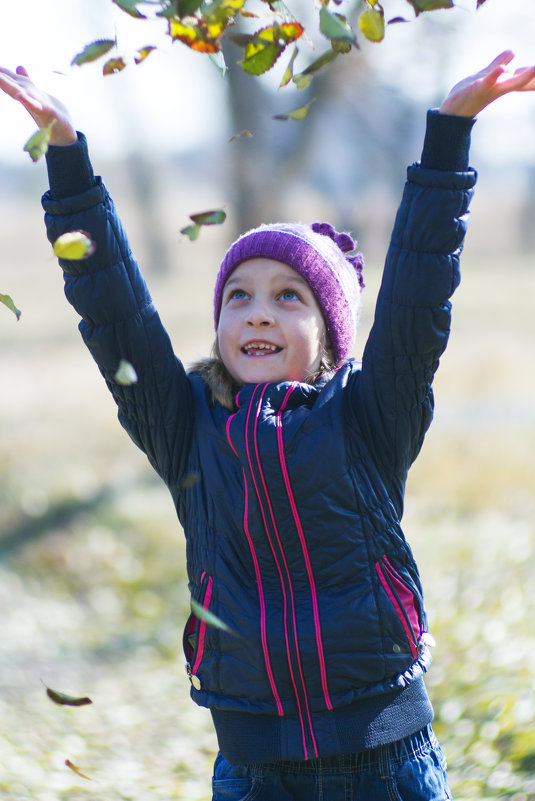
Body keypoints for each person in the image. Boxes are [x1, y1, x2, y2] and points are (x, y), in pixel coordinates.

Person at [1, 50, 535, 801]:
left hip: (383, 761)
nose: (257, 309)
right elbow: (114, 310)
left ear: (328, 337)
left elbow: (418, 296)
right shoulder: (185, 427)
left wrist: (449, 131)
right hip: (252, 768)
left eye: (290, 297)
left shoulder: (368, 416)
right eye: (239, 296)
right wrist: (65, 151)